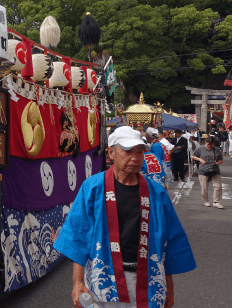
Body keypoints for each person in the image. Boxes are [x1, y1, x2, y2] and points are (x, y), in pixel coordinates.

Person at [54, 126, 196, 308]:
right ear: (111, 153)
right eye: (128, 151)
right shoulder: (93, 188)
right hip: (104, 278)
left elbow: (170, 241)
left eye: (140, 152)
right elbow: (77, 236)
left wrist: (169, 287)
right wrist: (77, 282)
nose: (135, 158)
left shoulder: (156, 192)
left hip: (149, 279)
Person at [190, 136, 224, 209]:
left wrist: (217, 163)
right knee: (204, 187)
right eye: (208, 144)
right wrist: (200, 159)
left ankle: (216, 202)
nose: (210, 146)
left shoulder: (217, 150)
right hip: (203, 170)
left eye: (211, 144)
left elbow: (221, 160)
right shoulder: (200, 149)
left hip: (215, 170)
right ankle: (206, 201)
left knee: (218, 186)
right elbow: (192, 156)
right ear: (205, 142)